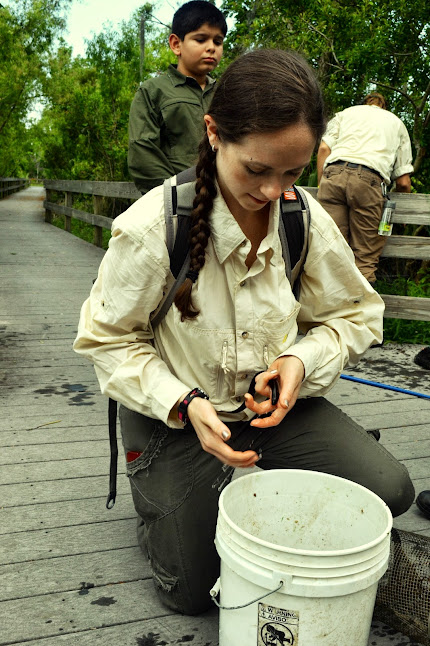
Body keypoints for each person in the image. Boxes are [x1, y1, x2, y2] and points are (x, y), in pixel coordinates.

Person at [74, 50, 415, 615]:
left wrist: (300, 362)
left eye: (293, 172)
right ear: (214, 133)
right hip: (179, 420)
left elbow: (356, 314)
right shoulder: (154, 227)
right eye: (256, 170)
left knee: (389, 490)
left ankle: (260, 475)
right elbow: (106, 340)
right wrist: (183, 402)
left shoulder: (302, 217)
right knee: (190, 590)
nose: (274, 190)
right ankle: (157, 504)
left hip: (271, 413)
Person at [128, 0, 227, 194]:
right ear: (176, 44)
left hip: (224, 198)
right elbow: (143, 152)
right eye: (201, 39)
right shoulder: (153, 91)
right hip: (176, 200)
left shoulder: (225, 93)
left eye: (218, 41)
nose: (211, 48)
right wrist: (177, 194)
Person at [316, 92, 414, 285]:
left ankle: (329, 303)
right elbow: (403, 182)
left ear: (365, 103)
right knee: (364, 258)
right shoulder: (396, 123)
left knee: (332, 252)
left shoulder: (346, 114)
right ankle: (360, 304)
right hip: (369, 181)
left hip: (333, 178)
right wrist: (399, 211)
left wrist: (322, 185)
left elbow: (324, 149)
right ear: (384, 106)